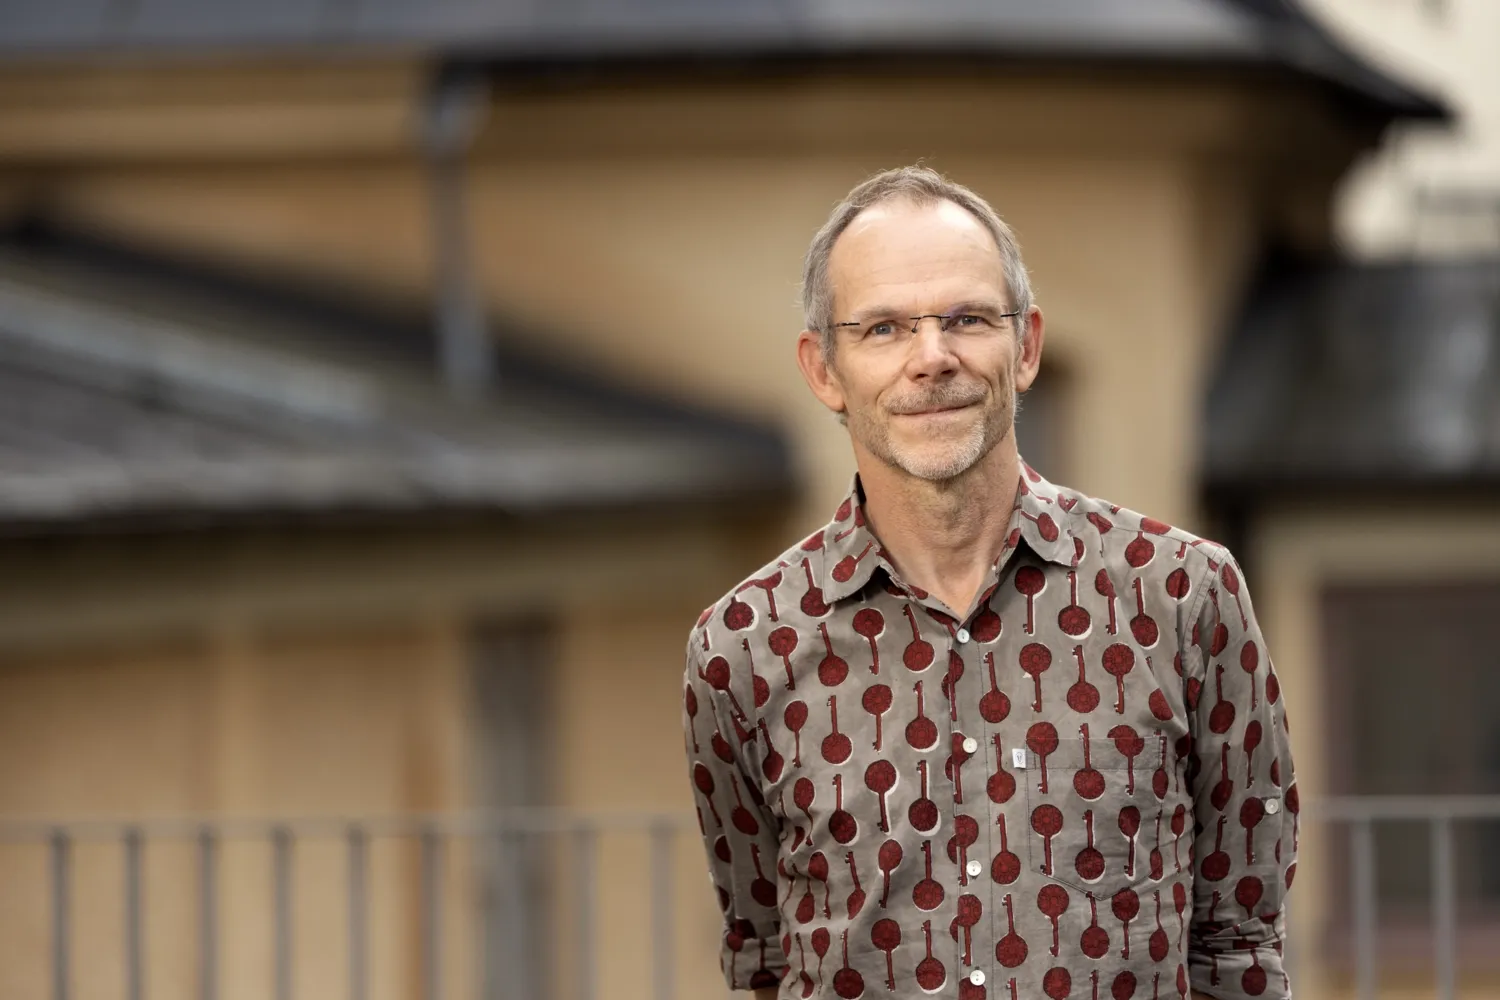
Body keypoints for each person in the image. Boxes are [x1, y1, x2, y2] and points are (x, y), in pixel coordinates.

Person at [681, 166, 1296, 1000]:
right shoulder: (743, 648)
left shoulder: (1183, 595)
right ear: (824, 370)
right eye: (884, 329)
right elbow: (763, 955)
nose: (931, 359)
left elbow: (1240, 944)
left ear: (1029, 346)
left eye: (967, 319)